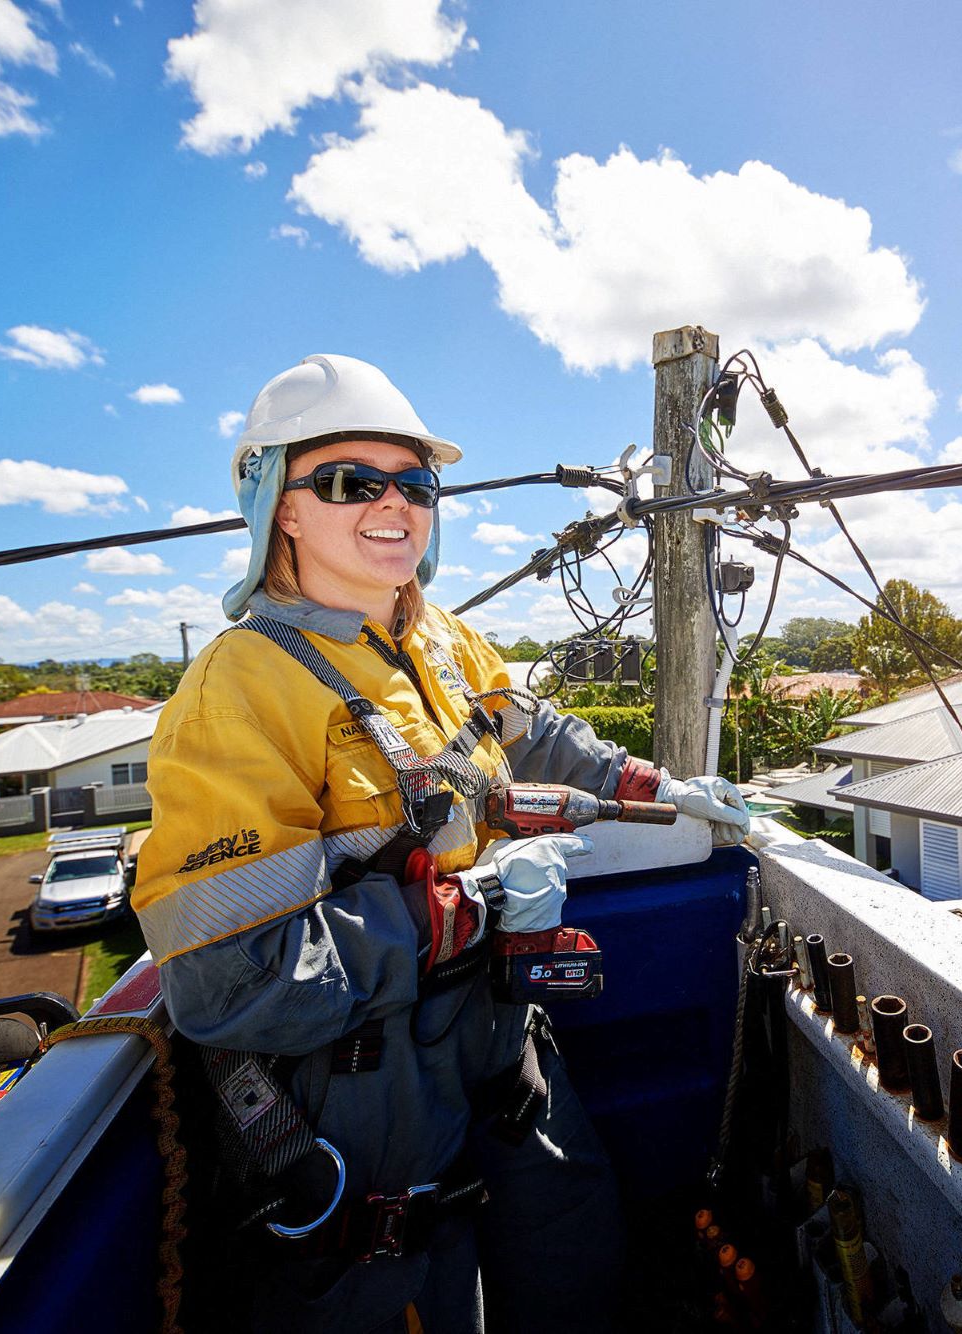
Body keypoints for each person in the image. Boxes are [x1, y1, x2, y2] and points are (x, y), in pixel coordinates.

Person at [131, 354, 750, 1333]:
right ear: (278, 508)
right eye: (349, 481)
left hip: (502, 1052)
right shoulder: (237, 691)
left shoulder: (438, 639)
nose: (397, 504)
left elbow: (533, 732)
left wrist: (654, 785)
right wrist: (470, 907)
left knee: (576, 1266)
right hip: (364, 1105)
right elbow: (229, 981)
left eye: (416, 483)